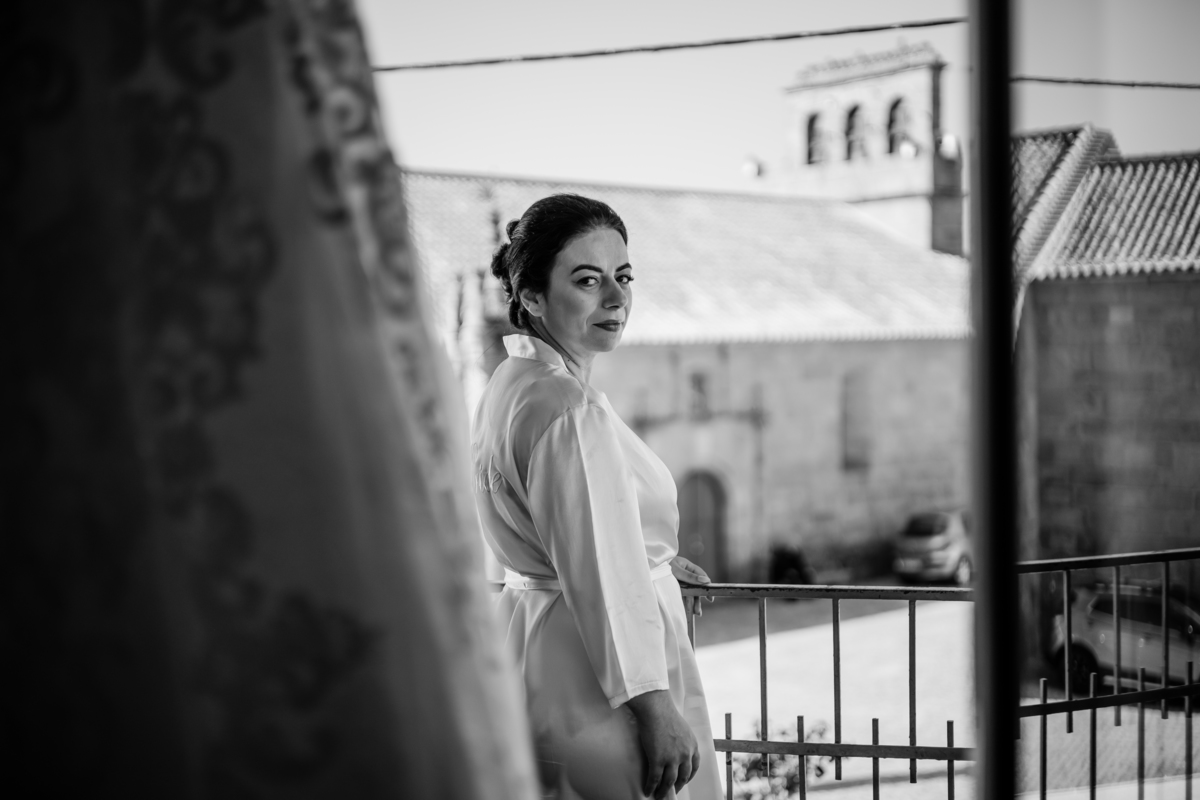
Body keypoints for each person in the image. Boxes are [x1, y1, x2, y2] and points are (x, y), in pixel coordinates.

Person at [472, 194, 723, 800]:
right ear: (532, 296)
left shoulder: (513, 382)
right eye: (587, 280)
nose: (615, 298)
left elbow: (568, 530)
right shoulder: (568, 408)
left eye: (624, 277)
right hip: (597, 678)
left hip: (535, 646)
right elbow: (599, 566)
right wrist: (654, 707)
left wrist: (650, 560)